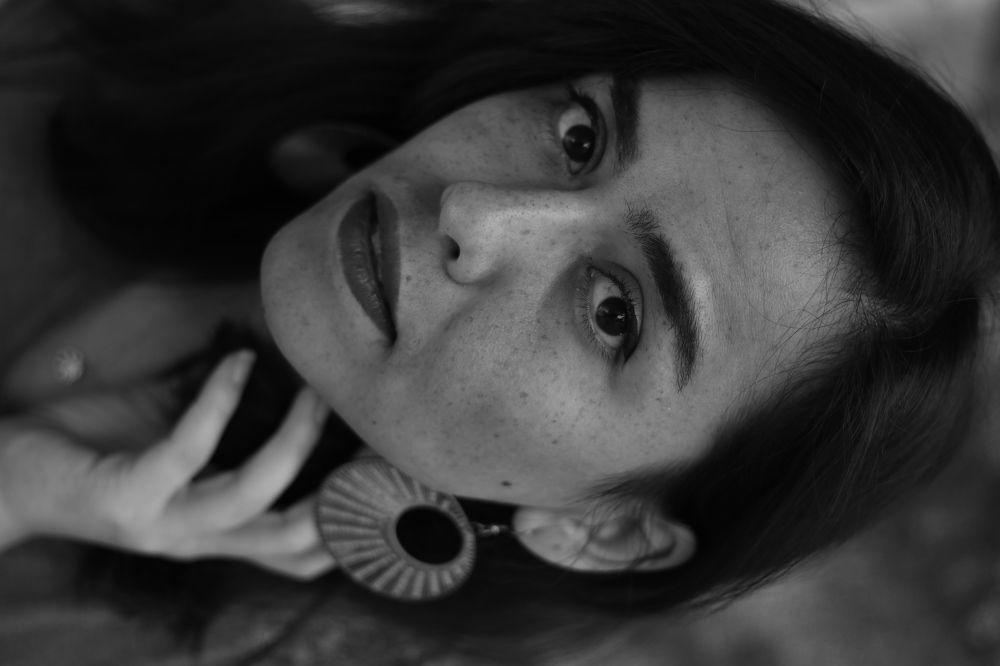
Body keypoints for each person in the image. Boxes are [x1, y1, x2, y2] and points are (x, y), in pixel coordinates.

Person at [0, 0, 998, 662]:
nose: (477, 212)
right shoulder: (117, 36)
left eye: (613, 312)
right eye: (580, 136)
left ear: (603, 531)